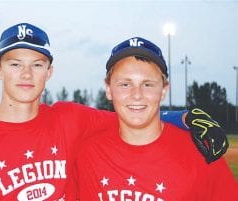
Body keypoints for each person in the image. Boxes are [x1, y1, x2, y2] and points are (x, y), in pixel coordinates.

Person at [0, 23, 228, 200]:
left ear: (49, 72)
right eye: (15, 64)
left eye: (37, 64)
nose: (26, 74)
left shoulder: (69, 119)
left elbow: (133, 112)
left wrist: (185, 117)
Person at [73, 36, 238, 200]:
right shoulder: (85, 154)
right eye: (125, 84)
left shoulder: (202, 152)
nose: (137, 95)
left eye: (147, 84)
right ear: (108, 89)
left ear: (164, 90)